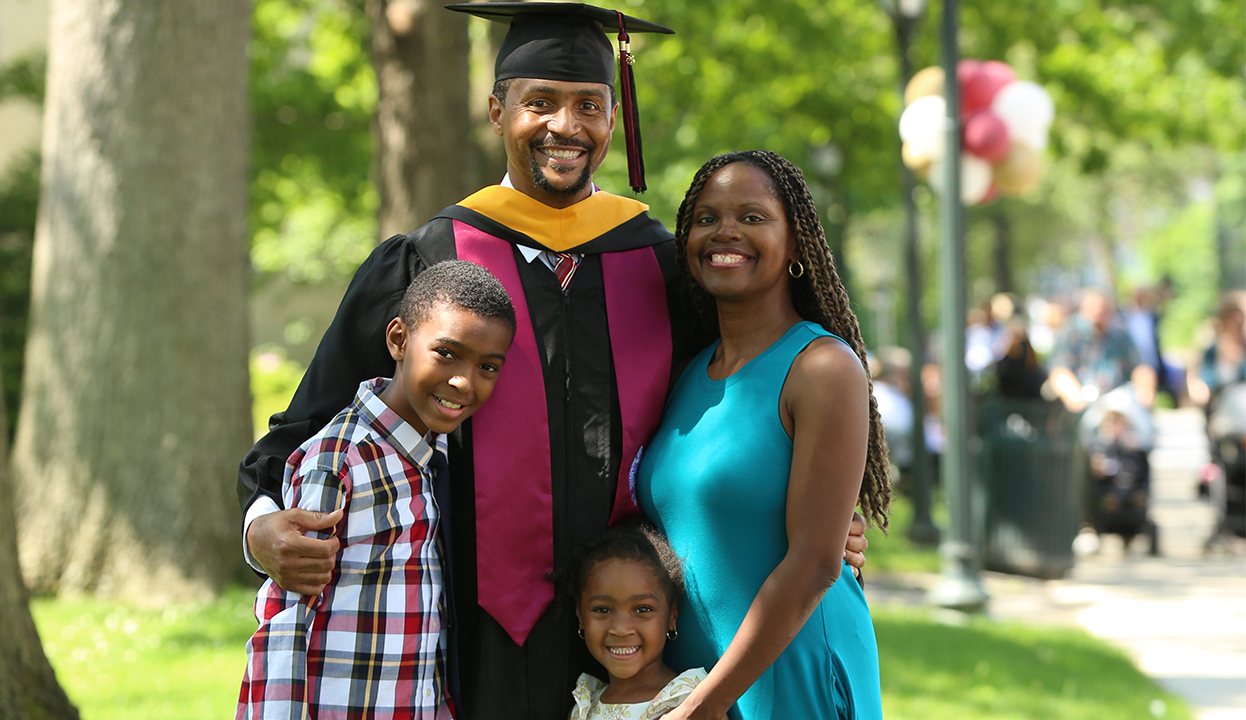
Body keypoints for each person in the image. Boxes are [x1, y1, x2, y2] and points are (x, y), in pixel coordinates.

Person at [234, 4, 872, 717]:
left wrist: (822, 524)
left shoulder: (664, 269)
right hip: (468, 643)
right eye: (540, 102)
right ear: (497, 112)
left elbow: (739, 416)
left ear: (614, 120)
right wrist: (262, 531)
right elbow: (300, 436)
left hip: (631, 645)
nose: (565, 126)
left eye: (589, 105)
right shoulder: (426, 261)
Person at [636, 150, 892, 720]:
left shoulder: (822, 367)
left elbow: (816, 564)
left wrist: (703, 706)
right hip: (697, 681)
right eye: (706, 218)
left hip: (787, 674)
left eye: (752, 217)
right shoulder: (690, 372)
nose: (725, 231)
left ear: (796, 244)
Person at [236, 261, 516, 719]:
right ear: (398, 340)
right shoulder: (339, 461)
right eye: (446, 353)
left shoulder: (435, 459)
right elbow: (286, 625)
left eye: (487, 366)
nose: (464, 380)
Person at [559, 521, 721, 720]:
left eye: (642, 609)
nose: (621, 629)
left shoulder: (690, 700)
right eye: (603, 610)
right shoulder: (583, 707)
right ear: (580, 616)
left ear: (672, 616)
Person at [1049, 289, 1156, 412]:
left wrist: (1145, 391)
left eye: (1103, 307)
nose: (1098, 311)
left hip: (1120, 400)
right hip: (1086, 404)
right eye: (1093, 306)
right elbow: (1059, 371)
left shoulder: (1120, 334)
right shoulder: (1071, 334)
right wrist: (1073, 396)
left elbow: (1140, 366)